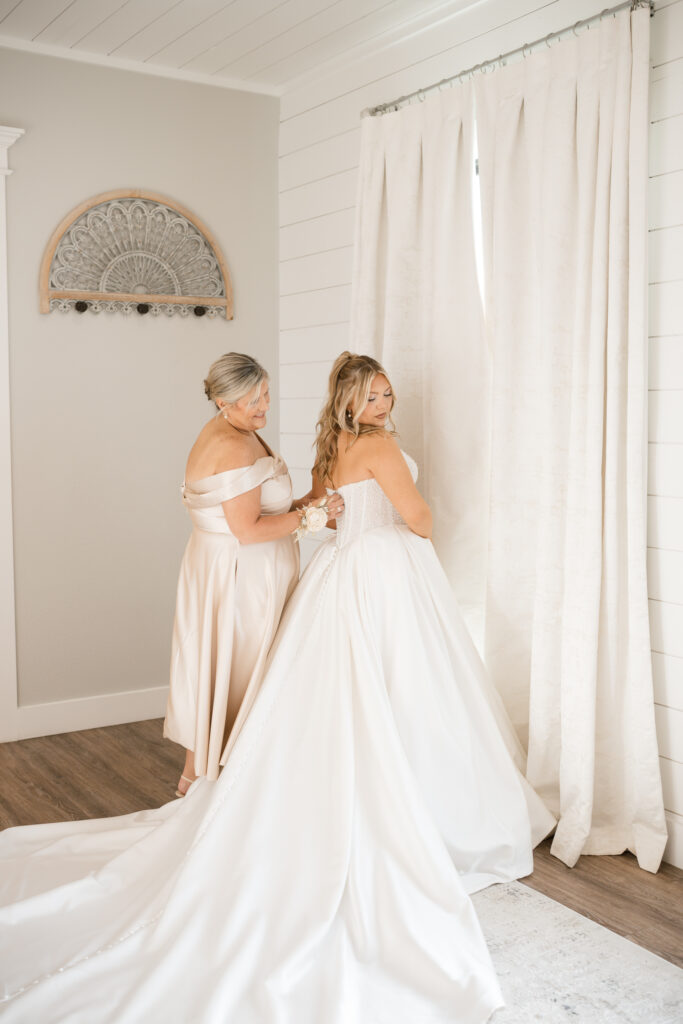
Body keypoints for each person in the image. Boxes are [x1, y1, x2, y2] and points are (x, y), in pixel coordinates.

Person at [0, 352, 555, 1024]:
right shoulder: (370, 448)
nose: (385, 404)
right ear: (352, 402)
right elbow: (419, 520)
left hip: (334, 573)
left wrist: (319, 515)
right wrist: (338, 517)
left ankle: (222, 778)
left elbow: (328, 506)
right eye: (375, 396)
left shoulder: (326, 448)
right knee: (403, 691)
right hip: (356, 572)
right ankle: (410, 808)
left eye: (387, 394)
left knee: (348, 696)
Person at [164, 352, 343, 794]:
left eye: (266, 396)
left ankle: (202, 780)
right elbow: (248, 529)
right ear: (224, 401)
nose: (264, 407)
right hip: (242, 577)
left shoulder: (237, 431)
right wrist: (313, 517)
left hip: (231, 567)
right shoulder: (233, 446)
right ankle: (217, 786)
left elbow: (267, 507)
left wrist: (312, 500)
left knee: (224, 667)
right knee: (240, 670)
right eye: (253, 401)